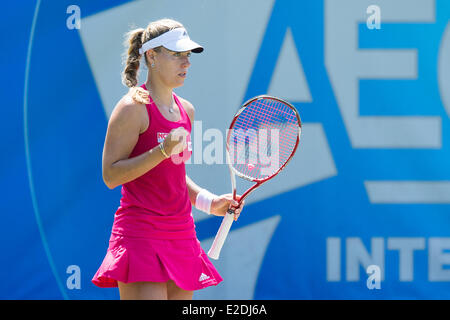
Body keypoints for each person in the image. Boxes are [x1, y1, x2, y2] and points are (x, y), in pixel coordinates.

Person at [92, 18, 245, 300]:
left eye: (187, 56)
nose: (185, 63)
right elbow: (110, 175)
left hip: (181, 235)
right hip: (141, 236)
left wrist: (210, 202)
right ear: (151, 56)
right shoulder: (132, 108)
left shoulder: (187, 110)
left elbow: (172, 175)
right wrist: (160, 150)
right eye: (176, 55)